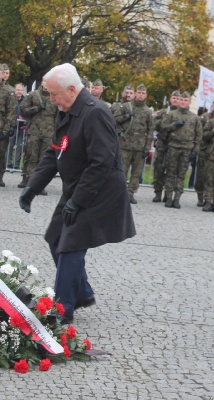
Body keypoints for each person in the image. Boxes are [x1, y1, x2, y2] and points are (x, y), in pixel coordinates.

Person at [18, 63, 135, 324]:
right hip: (79, 186)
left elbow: (101, 163)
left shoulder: (96, 113)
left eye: (54, 94)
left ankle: (62, 309)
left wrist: (77, 201)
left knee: (70, 245)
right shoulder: (67, 108)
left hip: (100, 190)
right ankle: (81, 292)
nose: (51, 99)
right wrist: (32, 187)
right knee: (54, 236)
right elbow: (55, 150)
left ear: (72, 89)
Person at [112, 84, 154, 204]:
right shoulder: (126, 106)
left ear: (146, 95)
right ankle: (120, 193)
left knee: (136, 172)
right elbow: (114, 120)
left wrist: (147, 147)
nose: (140, 95)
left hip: (139, 147)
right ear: (135, 94)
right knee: (122, 170)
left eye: (143, 93)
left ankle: (130, 193)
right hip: (125, 144)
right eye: (139, 93)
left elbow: (150, 130)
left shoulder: (148, 111)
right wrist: (126, 116)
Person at [161, 91, 202, 208]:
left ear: (189, 102)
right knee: (170, 173)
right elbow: (163, 128)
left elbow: (199, 134)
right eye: (181, 100)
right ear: (178, 101)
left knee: (181, 174)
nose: (183, 102)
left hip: (187, 149)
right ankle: (168, 197)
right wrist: (174, 125)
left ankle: (177, 198)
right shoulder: (171, 114)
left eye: (186, 100)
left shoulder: (194, 118)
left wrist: (195, 150)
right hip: (173, 146)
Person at [18, 80, 57, 195]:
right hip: (34, 131)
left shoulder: (54, 96)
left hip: (49, 132)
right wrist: (36, 108)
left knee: (44, 159)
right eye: (45, 81)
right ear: (42, 83)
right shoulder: (33, 95)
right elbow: (23, 109)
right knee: (31, 156)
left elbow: (60, 114)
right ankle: (29, 182)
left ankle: (39, 184)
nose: (47, 84)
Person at [152, 90, 180, 202]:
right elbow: (154, 124)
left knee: (172, 170)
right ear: (170, 99)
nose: (175, 100)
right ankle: (158, 192)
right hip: (162, 144)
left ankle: (168, 194)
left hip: (174, 145)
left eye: (178, 99)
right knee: (159, 168)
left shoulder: (180, 115)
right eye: (174, 98)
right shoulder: (164, 112)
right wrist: (163, 121)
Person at [195, 98, 214, 207]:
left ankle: (209, 199)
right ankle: (200, 197)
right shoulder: (205, 117)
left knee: (212, 177)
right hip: (204, 150)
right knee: (201, 175)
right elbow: (200, 132)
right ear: (212, 106)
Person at [0, 67, 17, 187]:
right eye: (3, 72)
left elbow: (11, 111)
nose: (5, 75)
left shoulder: (9, 90)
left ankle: (0, 176)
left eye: (7, 73)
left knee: (1, 153)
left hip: (1, 125)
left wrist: (6, 129)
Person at [7, 84, 26, 170]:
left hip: (21, 127)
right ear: (14, 90)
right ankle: (8, 163)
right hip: (12, 126)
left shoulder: (25, 100)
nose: (19, 92)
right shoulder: (11, 99)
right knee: (10, 145)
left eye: (21, 90)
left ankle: (16, 164)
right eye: (18, 90)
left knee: (19, 146)